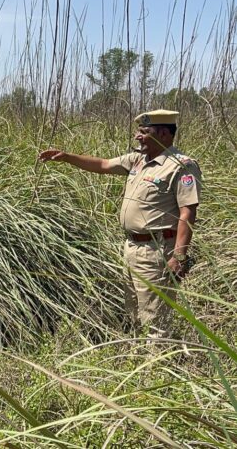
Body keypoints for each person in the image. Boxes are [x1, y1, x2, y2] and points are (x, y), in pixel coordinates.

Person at [39, 109, 202, 338]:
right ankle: (139, 361)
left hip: (157, 251)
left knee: (155, 317)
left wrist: (179, 256)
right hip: (132, 248)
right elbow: (104, 165)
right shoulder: (137, 159)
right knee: (135, 311)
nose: (138, 136)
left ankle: (158, 365)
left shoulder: (181, 166)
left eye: (144, 132)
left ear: (164, 134)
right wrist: (67, 157)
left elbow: (187, 213)